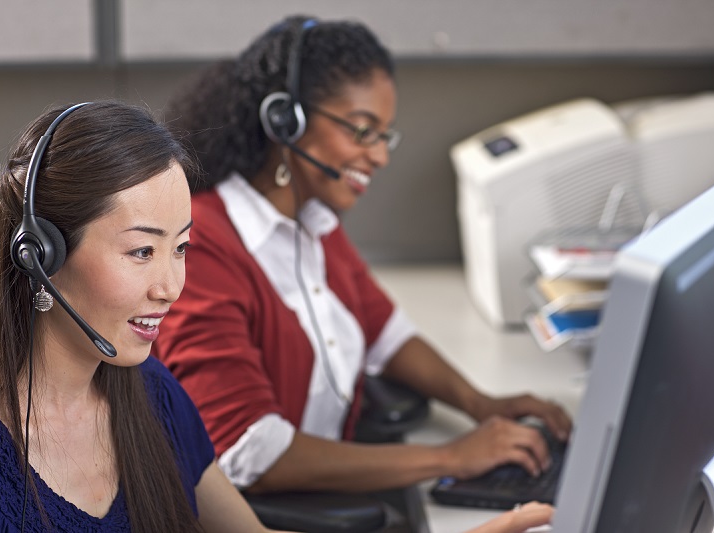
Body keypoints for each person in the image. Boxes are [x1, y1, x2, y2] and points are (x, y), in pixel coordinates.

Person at [155, 14, 570, 504]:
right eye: (361, 131)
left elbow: (385, 333)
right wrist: (452, 457)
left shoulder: (314, 221)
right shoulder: (203, 246)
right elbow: (251, 451)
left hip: (322, 493)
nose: (378, 156)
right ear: (286, 121)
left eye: (383, 136)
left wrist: (480, 403)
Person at [0, 100, 283, 532]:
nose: (170, 288)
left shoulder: (156, 395)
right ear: (40, 254)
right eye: (142, 251)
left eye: (180, 248)